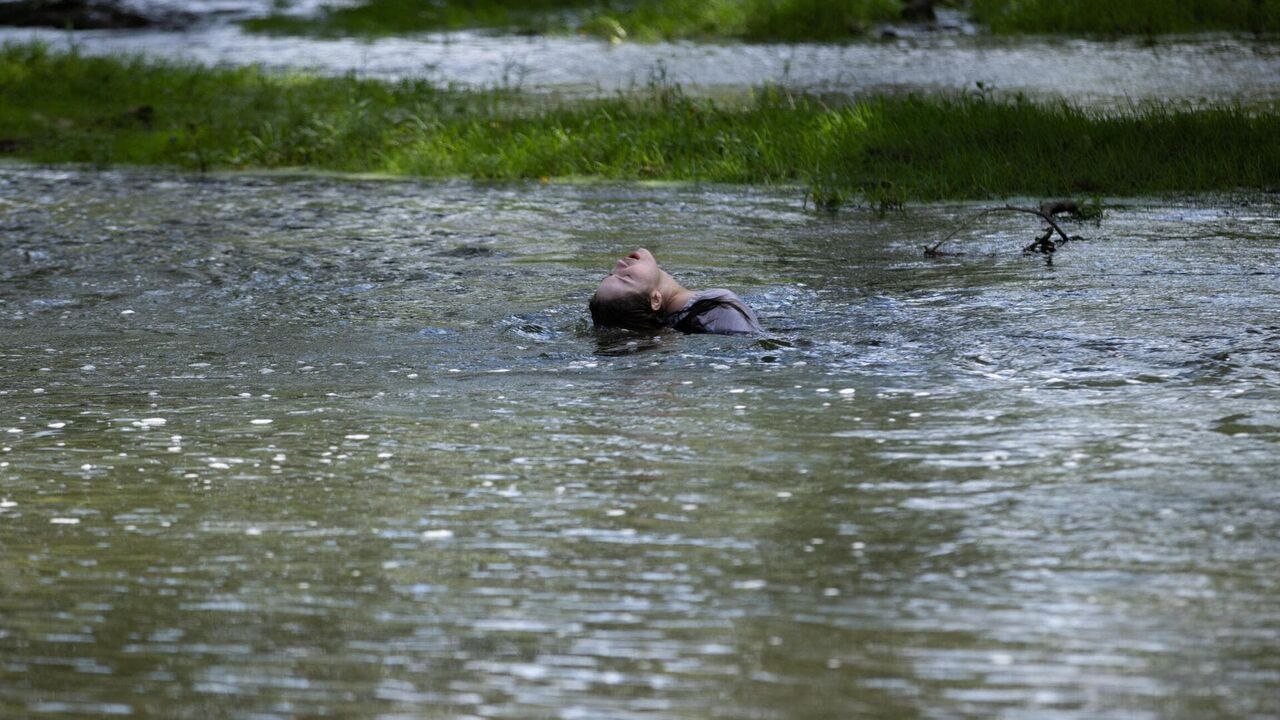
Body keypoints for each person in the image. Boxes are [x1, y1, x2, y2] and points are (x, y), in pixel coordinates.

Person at [589, 248, 762, 334]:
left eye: (610, 274)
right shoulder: (718, 307)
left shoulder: (681, 321)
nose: (619, 265)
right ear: (655, 300)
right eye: (626, 277)